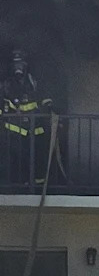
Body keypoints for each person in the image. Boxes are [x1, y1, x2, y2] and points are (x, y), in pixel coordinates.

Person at [1, 49, 51, 188]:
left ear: (25, 65)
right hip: (15, 132)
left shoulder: (33, 82)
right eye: (16, 64)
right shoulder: (6, 85)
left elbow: (44, 99)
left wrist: (50, 110)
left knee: (38, 158)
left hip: (35, 130)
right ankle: (18, 186)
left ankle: (38, 186)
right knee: (16, 160)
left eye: (21, 64)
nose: (18, 67)